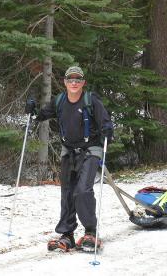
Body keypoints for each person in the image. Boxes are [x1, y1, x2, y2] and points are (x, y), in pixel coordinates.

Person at [25, 66, 114, 252]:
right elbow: (41, 115)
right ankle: (67, 235)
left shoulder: (91, 101)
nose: (74, 83)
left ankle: (90, 232)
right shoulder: (60, 101)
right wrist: (32, 112)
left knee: (82, 190)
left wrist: (108, 130)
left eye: (78, 80)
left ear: (83, 83)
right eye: (70, 80)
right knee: (67, 192)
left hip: (91, 150)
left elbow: (105, 122)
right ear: (65, 82)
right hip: (69, 150)